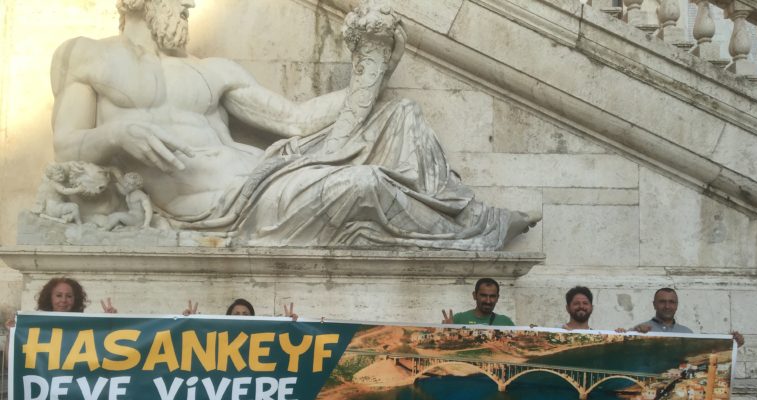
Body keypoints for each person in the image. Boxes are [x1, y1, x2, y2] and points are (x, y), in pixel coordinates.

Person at [48, 0, 538, 248]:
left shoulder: (210, 70)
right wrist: (114, 134)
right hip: (221, 207)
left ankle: (468, 218)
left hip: (269, 175)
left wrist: (374, 70)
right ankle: (476, 233)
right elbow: (67, 145)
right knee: (363, 182)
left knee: (401, 114)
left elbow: (293, 119)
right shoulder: (88, 56)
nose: (187, 6)